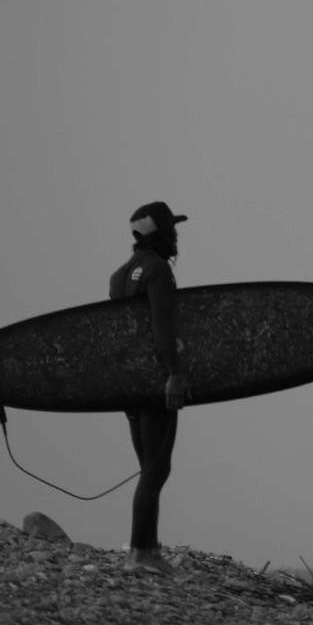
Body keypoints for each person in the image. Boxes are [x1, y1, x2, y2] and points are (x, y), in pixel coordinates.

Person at [109, 201, 193, 574]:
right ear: (157, 234)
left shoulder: (119, 275)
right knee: (156, 469)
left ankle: (148, 551)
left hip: (129, 383)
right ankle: (141, 553)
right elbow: (162, 329)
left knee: (149, 467)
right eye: (171, 230)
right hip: (156, 381)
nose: (176, 236)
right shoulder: (158, 271)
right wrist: (174, 374)